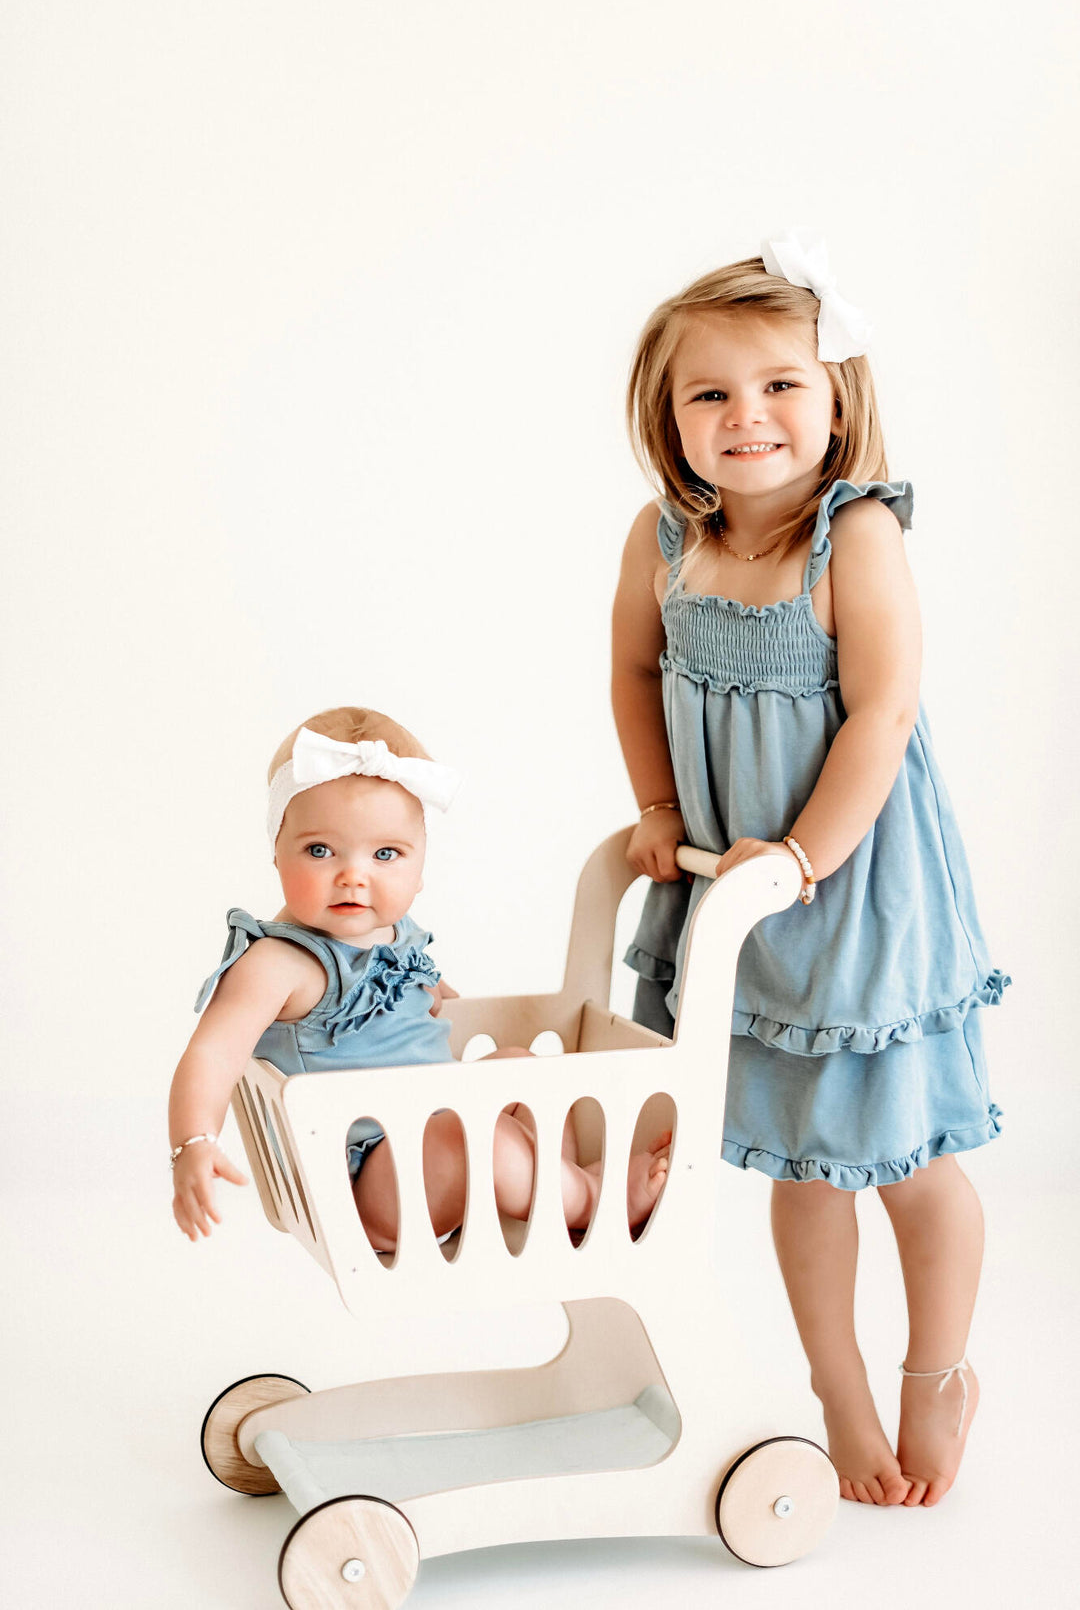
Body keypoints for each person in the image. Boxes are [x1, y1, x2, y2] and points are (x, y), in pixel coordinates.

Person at [611, 232, 1006, 1510]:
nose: (748, 417)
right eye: (710, 394)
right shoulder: (666, 541)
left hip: (854, 890)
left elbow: (883, 713)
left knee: (900, 1158)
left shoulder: (858, 540)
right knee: (800, 1158)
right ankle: (833, 1381)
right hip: (733, 894)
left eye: (781, 383)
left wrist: (800, 858)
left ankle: (935, 1369)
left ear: (838, 398)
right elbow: (631, 676)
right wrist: (662, 810)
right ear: (669, 421)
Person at [169, 706, 669, 1251]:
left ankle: (556, 1191)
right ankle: (592, 1201)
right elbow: (213, 1053)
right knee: (473, 1132)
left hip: (431, 1144)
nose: (353, 875)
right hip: (366, 1188)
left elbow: (416, 996)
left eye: (386, 854)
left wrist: (431, 992)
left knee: (521, 1068)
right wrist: (193, 1142)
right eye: (320, 850)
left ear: (420, 866)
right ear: (275, 851)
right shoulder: (278, 963)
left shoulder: (395, 933)